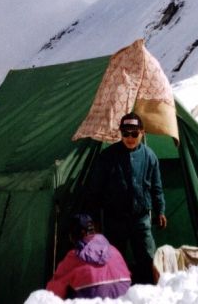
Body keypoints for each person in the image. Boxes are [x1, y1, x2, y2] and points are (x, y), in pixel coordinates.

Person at [85, 112, 167, 284]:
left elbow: (157, 187)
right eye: (125, 133)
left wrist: (160, 211)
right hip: (115, 220)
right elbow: (94, 191)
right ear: (120, 133)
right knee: (114, 262)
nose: (130, 138)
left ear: (142, 132)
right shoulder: (107, 157)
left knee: (148, 261)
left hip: (141, 220)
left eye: (134, 133)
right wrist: (94, 220)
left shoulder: (150, 156)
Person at [46, 214, 131, 299]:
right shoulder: (113, 250)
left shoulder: (74, 256)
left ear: (72, 236)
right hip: (123, 297)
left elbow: (53, 291)